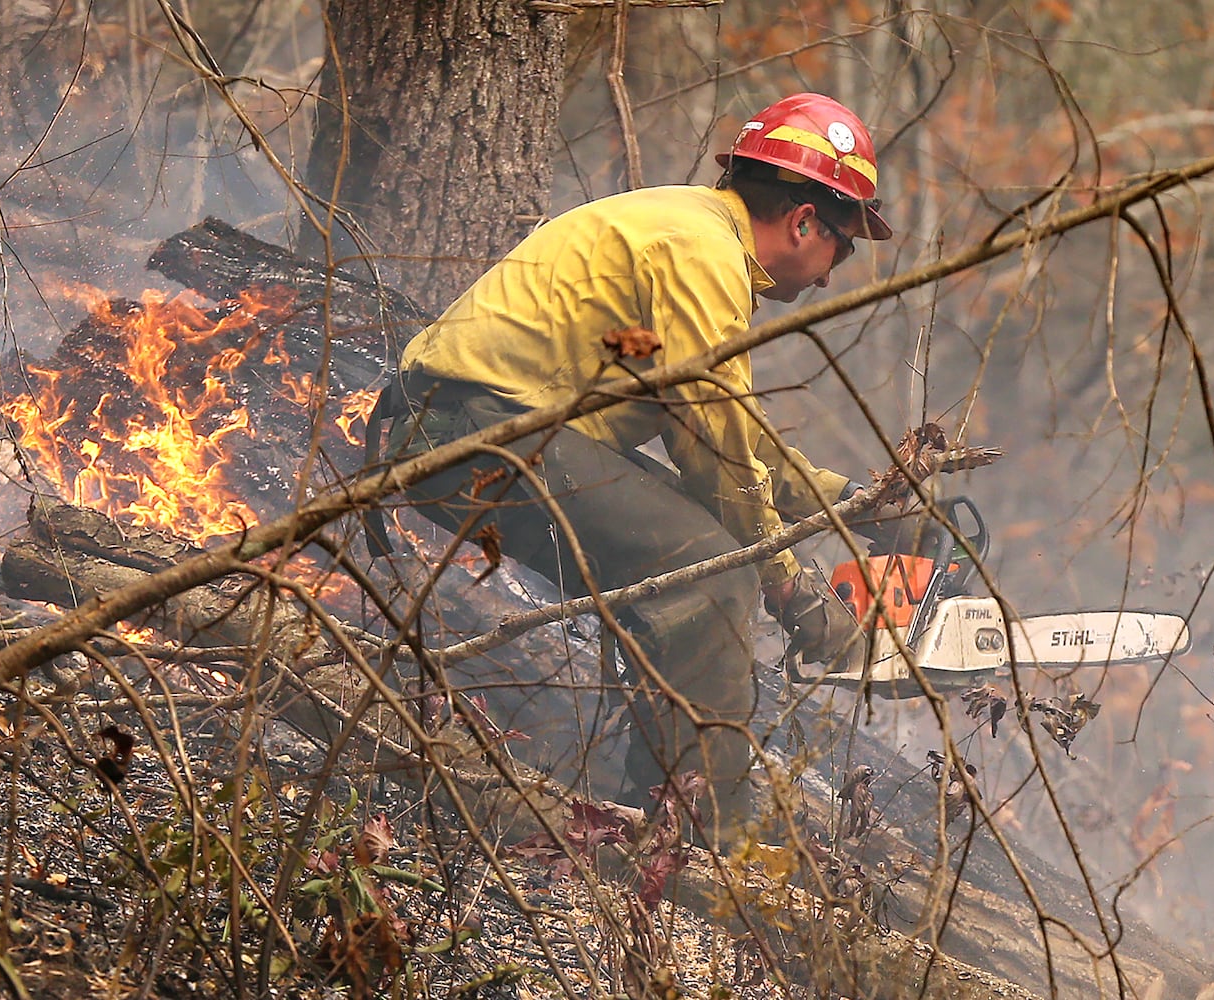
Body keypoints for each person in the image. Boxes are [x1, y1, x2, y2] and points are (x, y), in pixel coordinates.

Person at [370, 93, 891, 841]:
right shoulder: (701, 254)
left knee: (704, 551)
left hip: (488, 428)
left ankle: (657, 816)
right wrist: (788, 583)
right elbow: (708, 433)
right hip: (472, 435)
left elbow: (726, 420)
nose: (832, 274)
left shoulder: (690, 231)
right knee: (713, 567)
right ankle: (704, 847)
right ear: (805, 220)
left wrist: (852, 501)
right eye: (845, 245)